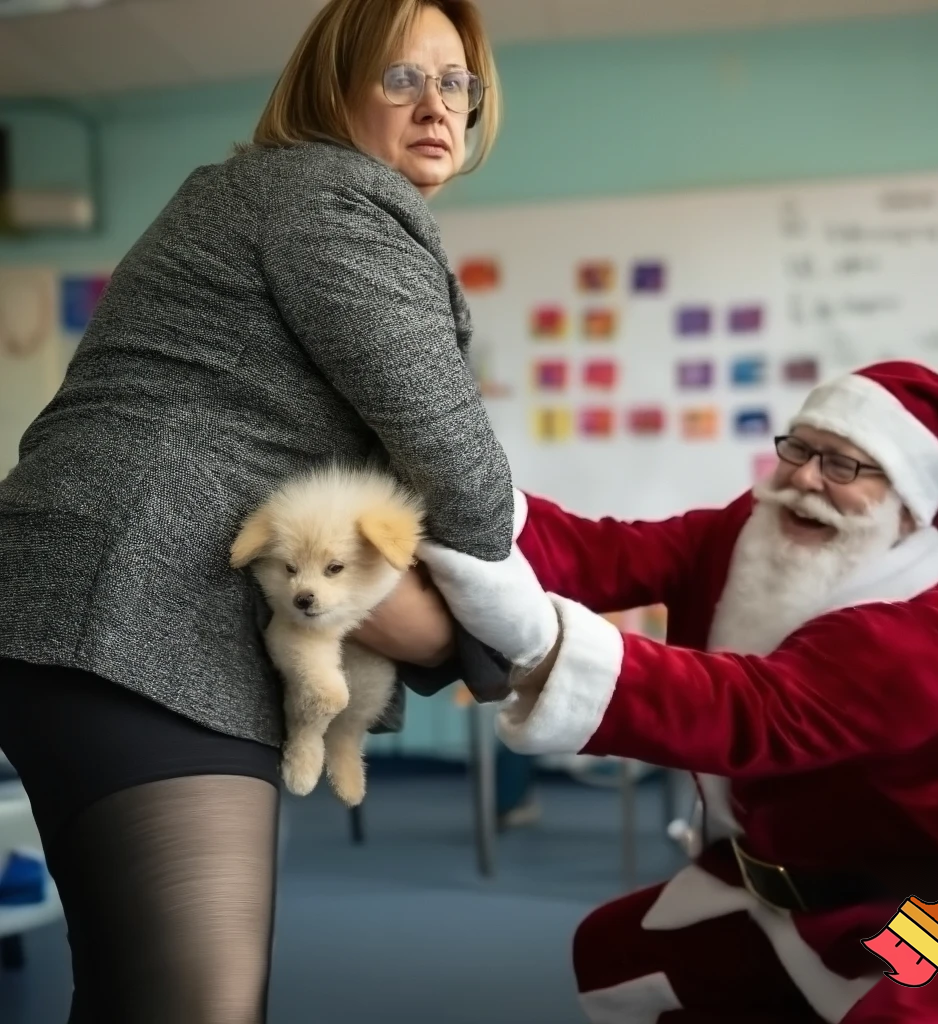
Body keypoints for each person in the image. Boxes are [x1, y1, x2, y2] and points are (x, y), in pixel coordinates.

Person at [0, 2, 521, 1021]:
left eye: (455, 82)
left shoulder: (267, 197)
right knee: (194, 1003)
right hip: (138, 614)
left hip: (94, 607)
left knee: (134, 987)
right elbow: (468, 488)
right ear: (332, 88)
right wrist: (495, 637)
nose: (436, 106)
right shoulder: (334, 200)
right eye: (400, 77)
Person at [416, 360, 938, 1023]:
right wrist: (453, 500)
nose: (806, 479)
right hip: (786, 885)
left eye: (845, 465)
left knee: (911, 1013)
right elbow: (603, 552)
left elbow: (750, 711)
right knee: (617, 958)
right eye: (799, 448)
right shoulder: (741, 535)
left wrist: (538, 641)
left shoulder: (925, 636)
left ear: (909, 505)